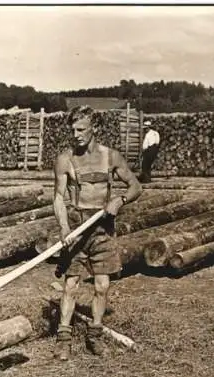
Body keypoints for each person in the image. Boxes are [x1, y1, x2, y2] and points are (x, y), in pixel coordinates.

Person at [52, 105, 142, 361]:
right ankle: (64, 338)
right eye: (73, 130)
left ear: (95, 128)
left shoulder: (110, 157)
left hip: (103, 228)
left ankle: (95, 334)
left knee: (102, 285)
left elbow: (136, 185)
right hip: (77, 228)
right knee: (70, 285)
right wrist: (64, 228)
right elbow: (59, 198)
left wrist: (120, 201)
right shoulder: (64, 160)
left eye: (81, 129)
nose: (76, 134)